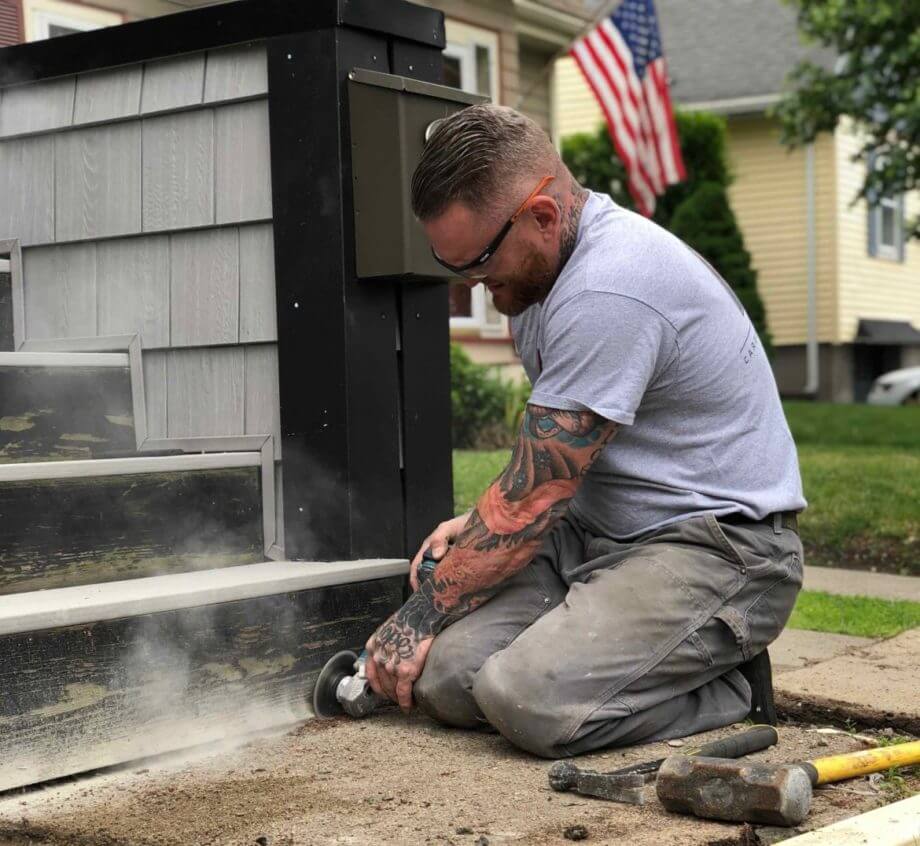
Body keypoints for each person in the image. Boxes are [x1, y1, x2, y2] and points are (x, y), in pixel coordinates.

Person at [364, 104, 806, 758]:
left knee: (526, 701)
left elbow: (531, 498)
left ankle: (731, 687)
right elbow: (551, 466)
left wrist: (418, 615)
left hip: (717, 550)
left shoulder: (611, 288)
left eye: (481, 264)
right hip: (597, 537)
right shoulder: (537, 278)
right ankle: (616, 667)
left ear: (541, 216)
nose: (476, 287)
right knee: (446, 681)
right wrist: (477, 529)